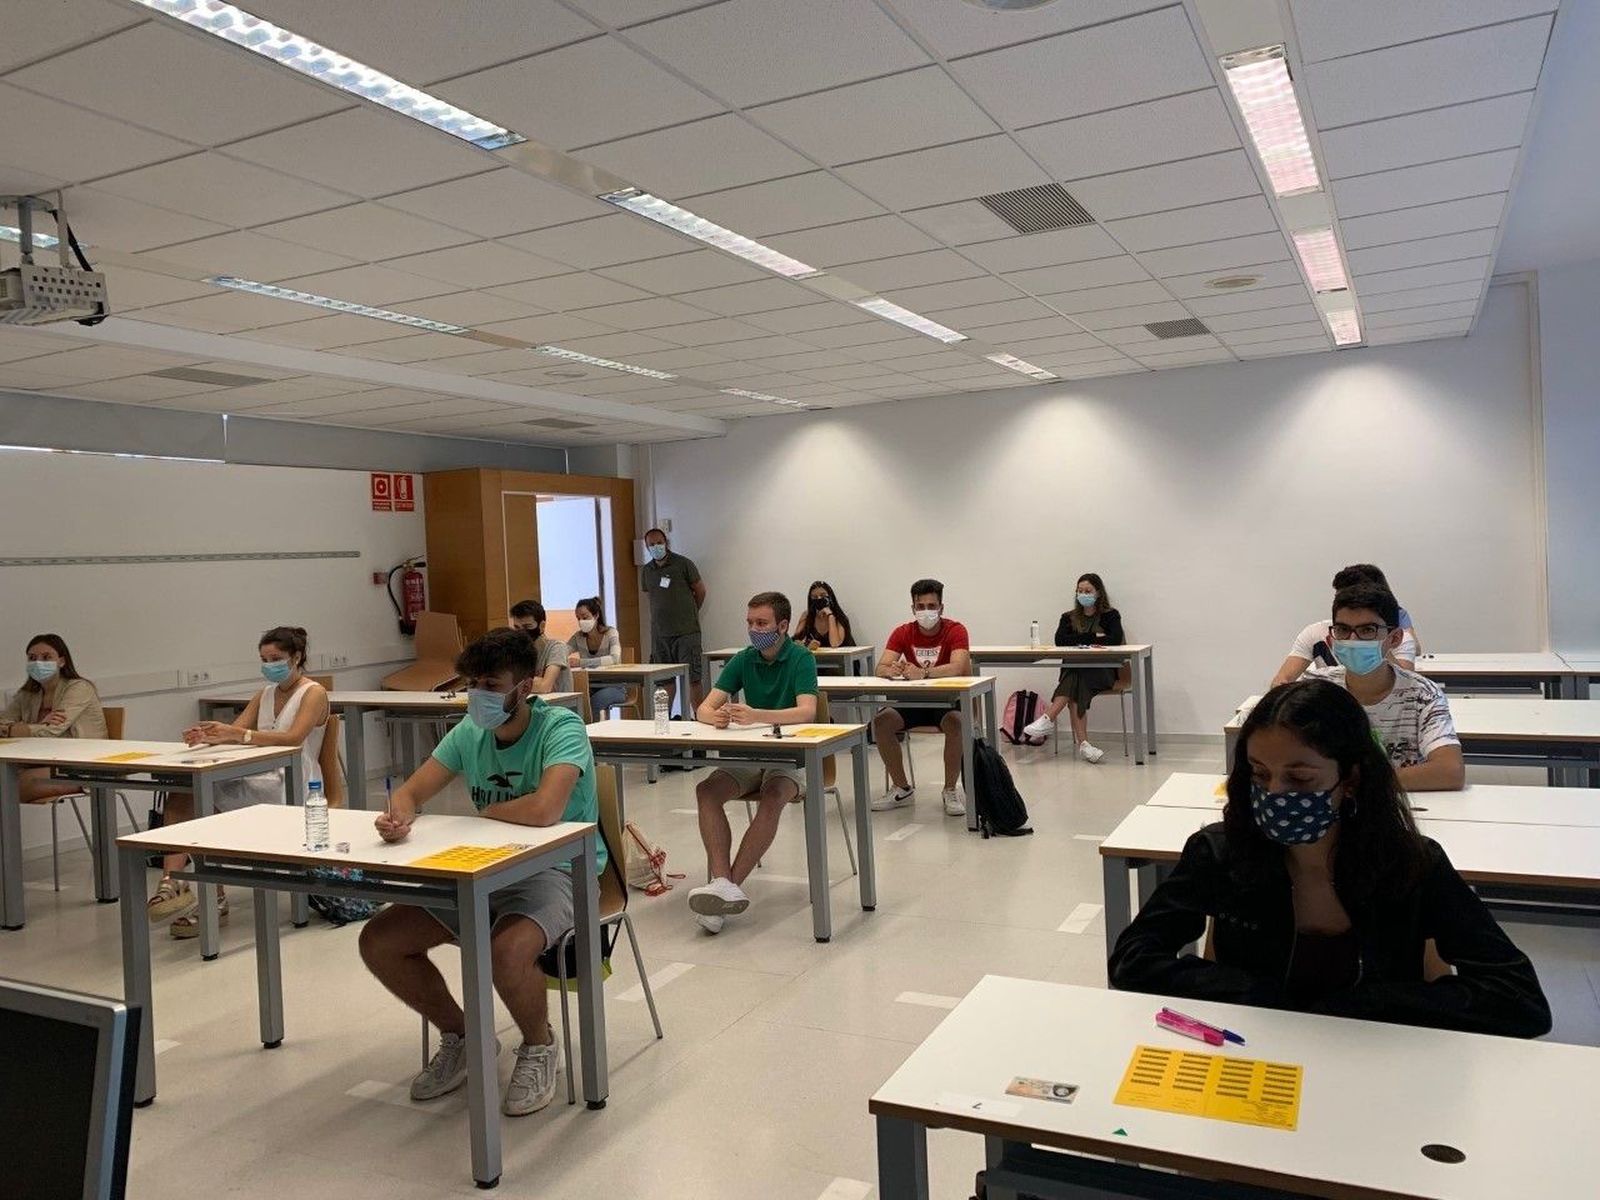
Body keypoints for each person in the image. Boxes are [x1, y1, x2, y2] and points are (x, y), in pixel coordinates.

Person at [1109, 679, 1550, 1037]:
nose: (1274, 793)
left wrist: (1373, 1005)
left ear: (1351, 779)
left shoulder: (1409, 864)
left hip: (1376, 1063)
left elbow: (1519, 998)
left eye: (1299, 778)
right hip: (1256, 1056)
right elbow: (1132, 958)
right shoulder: (1222, 852)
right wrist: (1250, 993)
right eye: (1259, 774)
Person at [358, 628, 603, 1118]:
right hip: (481, 869)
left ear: (524, 688)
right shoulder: (469, 732)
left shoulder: (561, 730)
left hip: (560, 869)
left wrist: (476, 819)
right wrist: (398, 818)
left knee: (505, 952)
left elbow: (545, 810)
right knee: (380, 941)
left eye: (492, 685)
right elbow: (410, 792)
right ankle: (465, 1036)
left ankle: (538, 1044)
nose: (479, 695)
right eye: (472, 683)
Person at [146, 627, 328, 939]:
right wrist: (208, 737)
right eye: (264, 659)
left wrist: (238, 735)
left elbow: (293, 738)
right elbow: (234, 732)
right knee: (183, 795)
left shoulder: (313, 693)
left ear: (296, 658)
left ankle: (211, 898)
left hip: (293, 783)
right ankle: (171, 882)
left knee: (204, 806)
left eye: (276, 658)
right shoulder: (265, 694)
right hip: (258, 775)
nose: (269, 664)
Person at [686, 592, 819, 934]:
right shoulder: (744, 659)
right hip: (750, 754)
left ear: (783, 626)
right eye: (750, 623)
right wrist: (711, 718)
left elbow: (807, 711)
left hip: (792, 756)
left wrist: (757, 715)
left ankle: (729, 887)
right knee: (707, 790)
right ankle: (722, 882)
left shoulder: (801, 658)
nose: (754, 629)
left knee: (774, 795)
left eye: (762, 624)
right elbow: (704, 707)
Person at [1306, 584, 1464, 791]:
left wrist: (1357, 784)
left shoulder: (1423, 694)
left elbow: (1450, 771)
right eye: (1343, 630)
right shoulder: (1315, 689)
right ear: (1331, 638)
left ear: (1395, 638)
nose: (1353, 640)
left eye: (1367, 630)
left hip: (1396, 809)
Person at [871, 579, 969, 817]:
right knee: (881, 722)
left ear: (941, 608)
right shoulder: (903, 632)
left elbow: (958, 667)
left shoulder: (956, 630)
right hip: (912, 701)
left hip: (946, 701)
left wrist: (923, 673)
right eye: (921, 606)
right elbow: (879, 667)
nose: (926, 611)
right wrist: (892, 670)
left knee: (957, 722)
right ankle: (902, 787)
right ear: (913, 608)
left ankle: (949, 790)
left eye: (931, 605)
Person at [1022, 572, 1125, 762]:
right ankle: (1084, 745)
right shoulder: (1068, 617)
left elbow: (1115, 639)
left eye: (1088, 590)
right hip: (1078, 671)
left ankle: (1048, 718)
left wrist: (1080, 639)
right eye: (1080, 591)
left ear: (1098, 593)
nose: (1083, 594)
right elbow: (1060, 641)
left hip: (1103, 671)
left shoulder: (1110, 615)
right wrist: (1095, 637)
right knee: (1077, 680)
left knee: (1075, 675)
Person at [1, 634, 109, 803]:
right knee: (5, 781)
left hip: (78, 765)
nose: (38, 663)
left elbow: (53, 730)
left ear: (62, 661)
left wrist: (17, 729)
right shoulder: (28, 693)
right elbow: (3, 722)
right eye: (32, 658)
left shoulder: (79, 688)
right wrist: (38, 725)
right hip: (38, 760)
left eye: (46, 657)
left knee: (9, 787)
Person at [1273, 563, 1420, 686]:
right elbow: (1282, 680)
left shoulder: (1396, 637)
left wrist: (1379, 649)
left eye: (1367, 629)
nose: (1353, 639)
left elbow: (1406, 683)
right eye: (1343, 597)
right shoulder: (1316, 634)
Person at [641, 527, 706, 715]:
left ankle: (700, 718)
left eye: (659, 542)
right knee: (664, 681)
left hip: (687, 633)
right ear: (647, 547)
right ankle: (665, 722)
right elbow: (650, 598)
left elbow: (700, 591)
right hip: (660, 636)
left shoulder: (683, 564)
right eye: (651, 544)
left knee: (693, 679)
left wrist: (690, 612)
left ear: (666, 542)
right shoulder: (647, 571)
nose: (656, 547)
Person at [565, 595, 626, 716]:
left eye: (585, 617)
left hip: (614, 686)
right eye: (578, 618)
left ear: (596, 615)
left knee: (595, 702)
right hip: (589, 685)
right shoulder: (578, 637)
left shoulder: (610, 633)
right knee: (572, 701)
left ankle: (592, 733)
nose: (581, 621)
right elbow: (562, 651)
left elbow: (615, 659)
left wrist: (581, 662)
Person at [509, 599, 572, 693]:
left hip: (557, 706)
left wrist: (514, 682)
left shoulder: (556, 648)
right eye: (517, 628)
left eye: (527, 627)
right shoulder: (519, 651)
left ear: (542, 626)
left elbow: (544, 687)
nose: (521, 633)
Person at [790, 581, 854, 650]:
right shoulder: (807, 616)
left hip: (844, 659)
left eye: (823, 595)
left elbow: (835, 644)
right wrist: (807, 645)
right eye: (814, 597)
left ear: (830, 597)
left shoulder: (839, 617)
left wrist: (830, 615)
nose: (819, 598)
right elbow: (794, 641)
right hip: (820, 659)